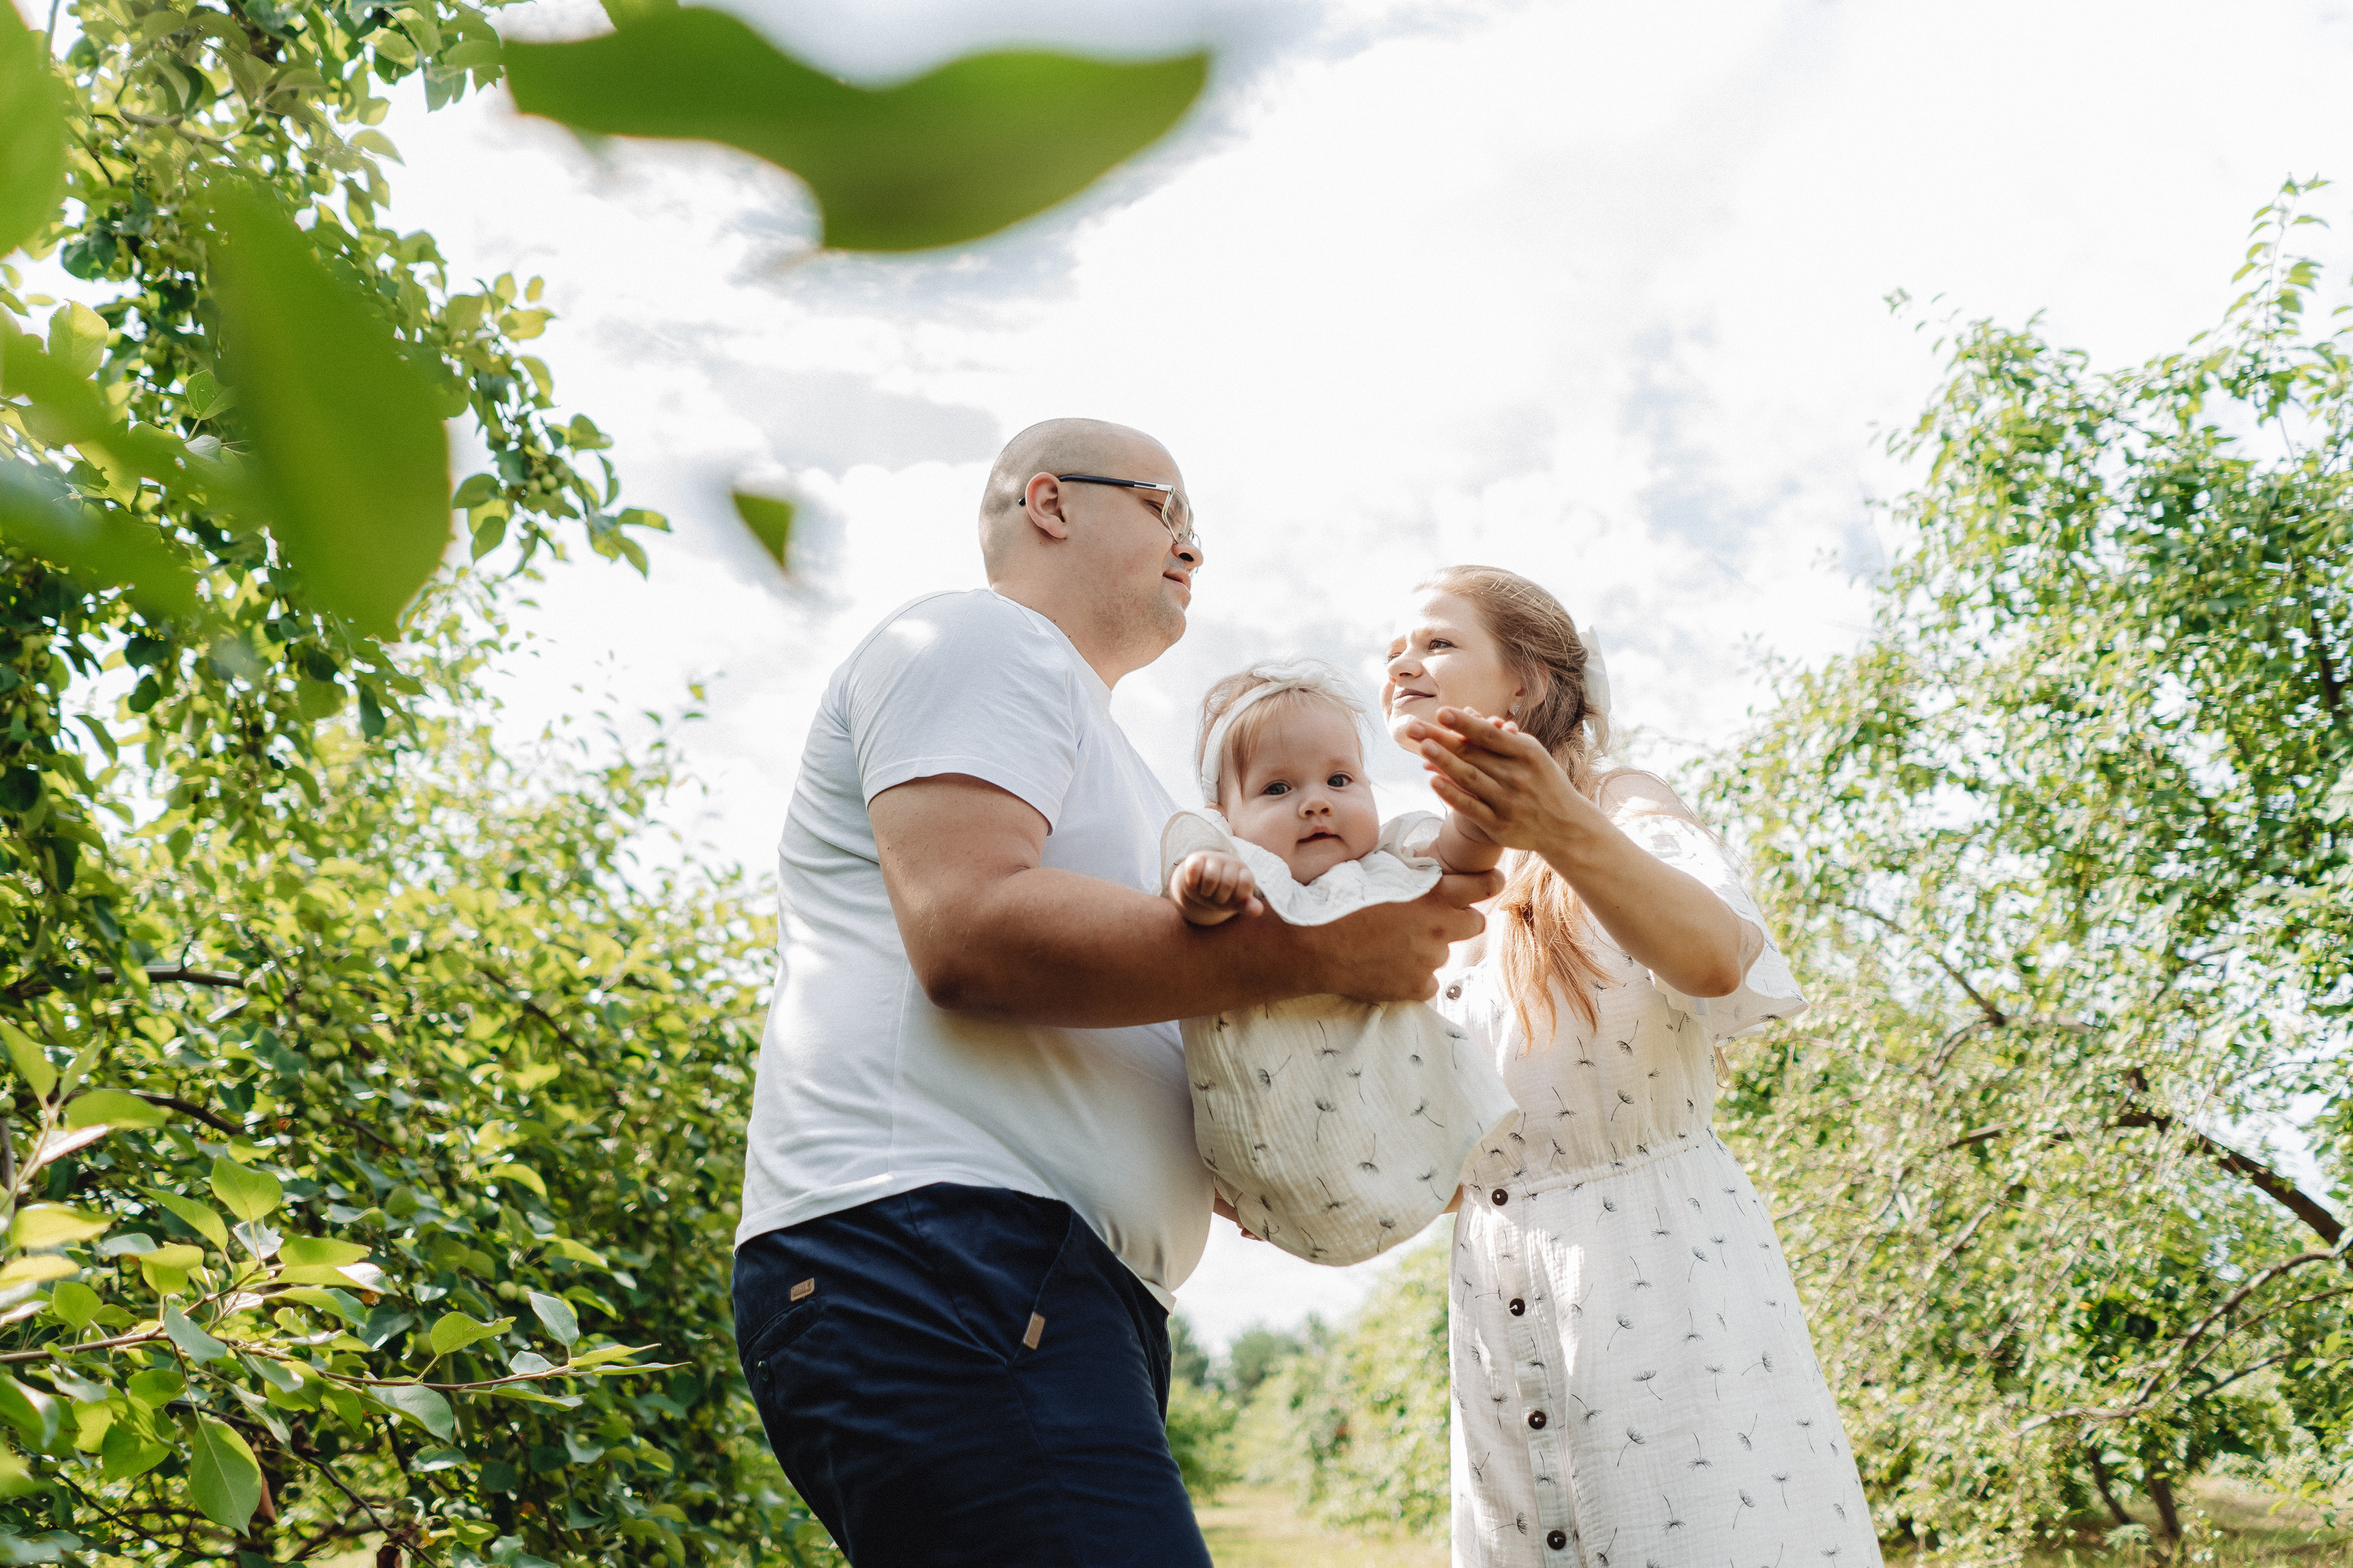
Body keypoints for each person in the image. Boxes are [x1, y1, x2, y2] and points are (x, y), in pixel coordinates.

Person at [729, 419, 1498, 1568]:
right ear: (1049, 503)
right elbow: (969, 933)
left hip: (1037, 1278)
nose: (1193, 547)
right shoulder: (977, 640)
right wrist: (1321, 958)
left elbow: (1150, 990)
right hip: (944, 1246)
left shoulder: (1112, 766)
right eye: (1164, 509)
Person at [1383, 565, 1882, 1568]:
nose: (1402, 661)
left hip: (1663, 1282)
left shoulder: (1620, 800)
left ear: (1524, 681)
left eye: (1436, 642)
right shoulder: (1408, 870)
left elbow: (1716, 960)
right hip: (1496, 1299)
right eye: (1391, 650)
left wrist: (1557, 824)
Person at [1161, 662, 1520, 1265]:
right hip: (1278, 1122)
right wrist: (1204, 885)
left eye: (1339, 779)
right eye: (1278, 789)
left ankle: (1443, 1177)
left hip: (1396, 1104)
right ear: (1226, 817)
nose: (1315, 804)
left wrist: (1480, 806)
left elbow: (1461, 856)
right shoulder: (1241, 865)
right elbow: (1189, 872)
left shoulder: (1384, 857)